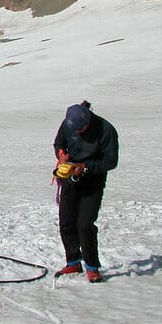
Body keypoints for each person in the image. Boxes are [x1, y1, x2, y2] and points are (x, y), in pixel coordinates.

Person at [52, 101, 119, 283]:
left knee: (85, 224)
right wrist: (61, 153)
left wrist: (86, 166)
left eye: (81, 129)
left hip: (93, 182)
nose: (78, 132)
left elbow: (111, 161)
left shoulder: (106, 130)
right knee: (66, 222)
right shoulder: (68, 124)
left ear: (88, 120)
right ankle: (73, 261)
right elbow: (59, 143)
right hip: (70, 178)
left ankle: (92, 267)